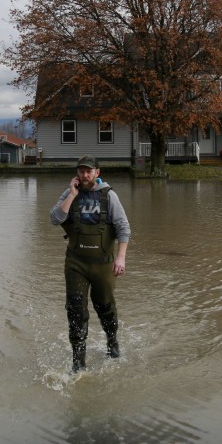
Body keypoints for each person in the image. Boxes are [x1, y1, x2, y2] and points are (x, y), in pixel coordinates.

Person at [49, 155, 131, 372]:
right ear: (77, 173)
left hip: (103, 263)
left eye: (89, 171)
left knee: (105, 307)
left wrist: (120, 258)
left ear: (97, 173)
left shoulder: (109, 196)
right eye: (81, 171)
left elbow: (124, 229)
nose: (84, 175)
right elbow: (55, 219)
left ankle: (112, 342)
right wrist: (72, 195)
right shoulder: (70, 193)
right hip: (76, 263)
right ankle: (78, 361)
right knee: (75, 310)